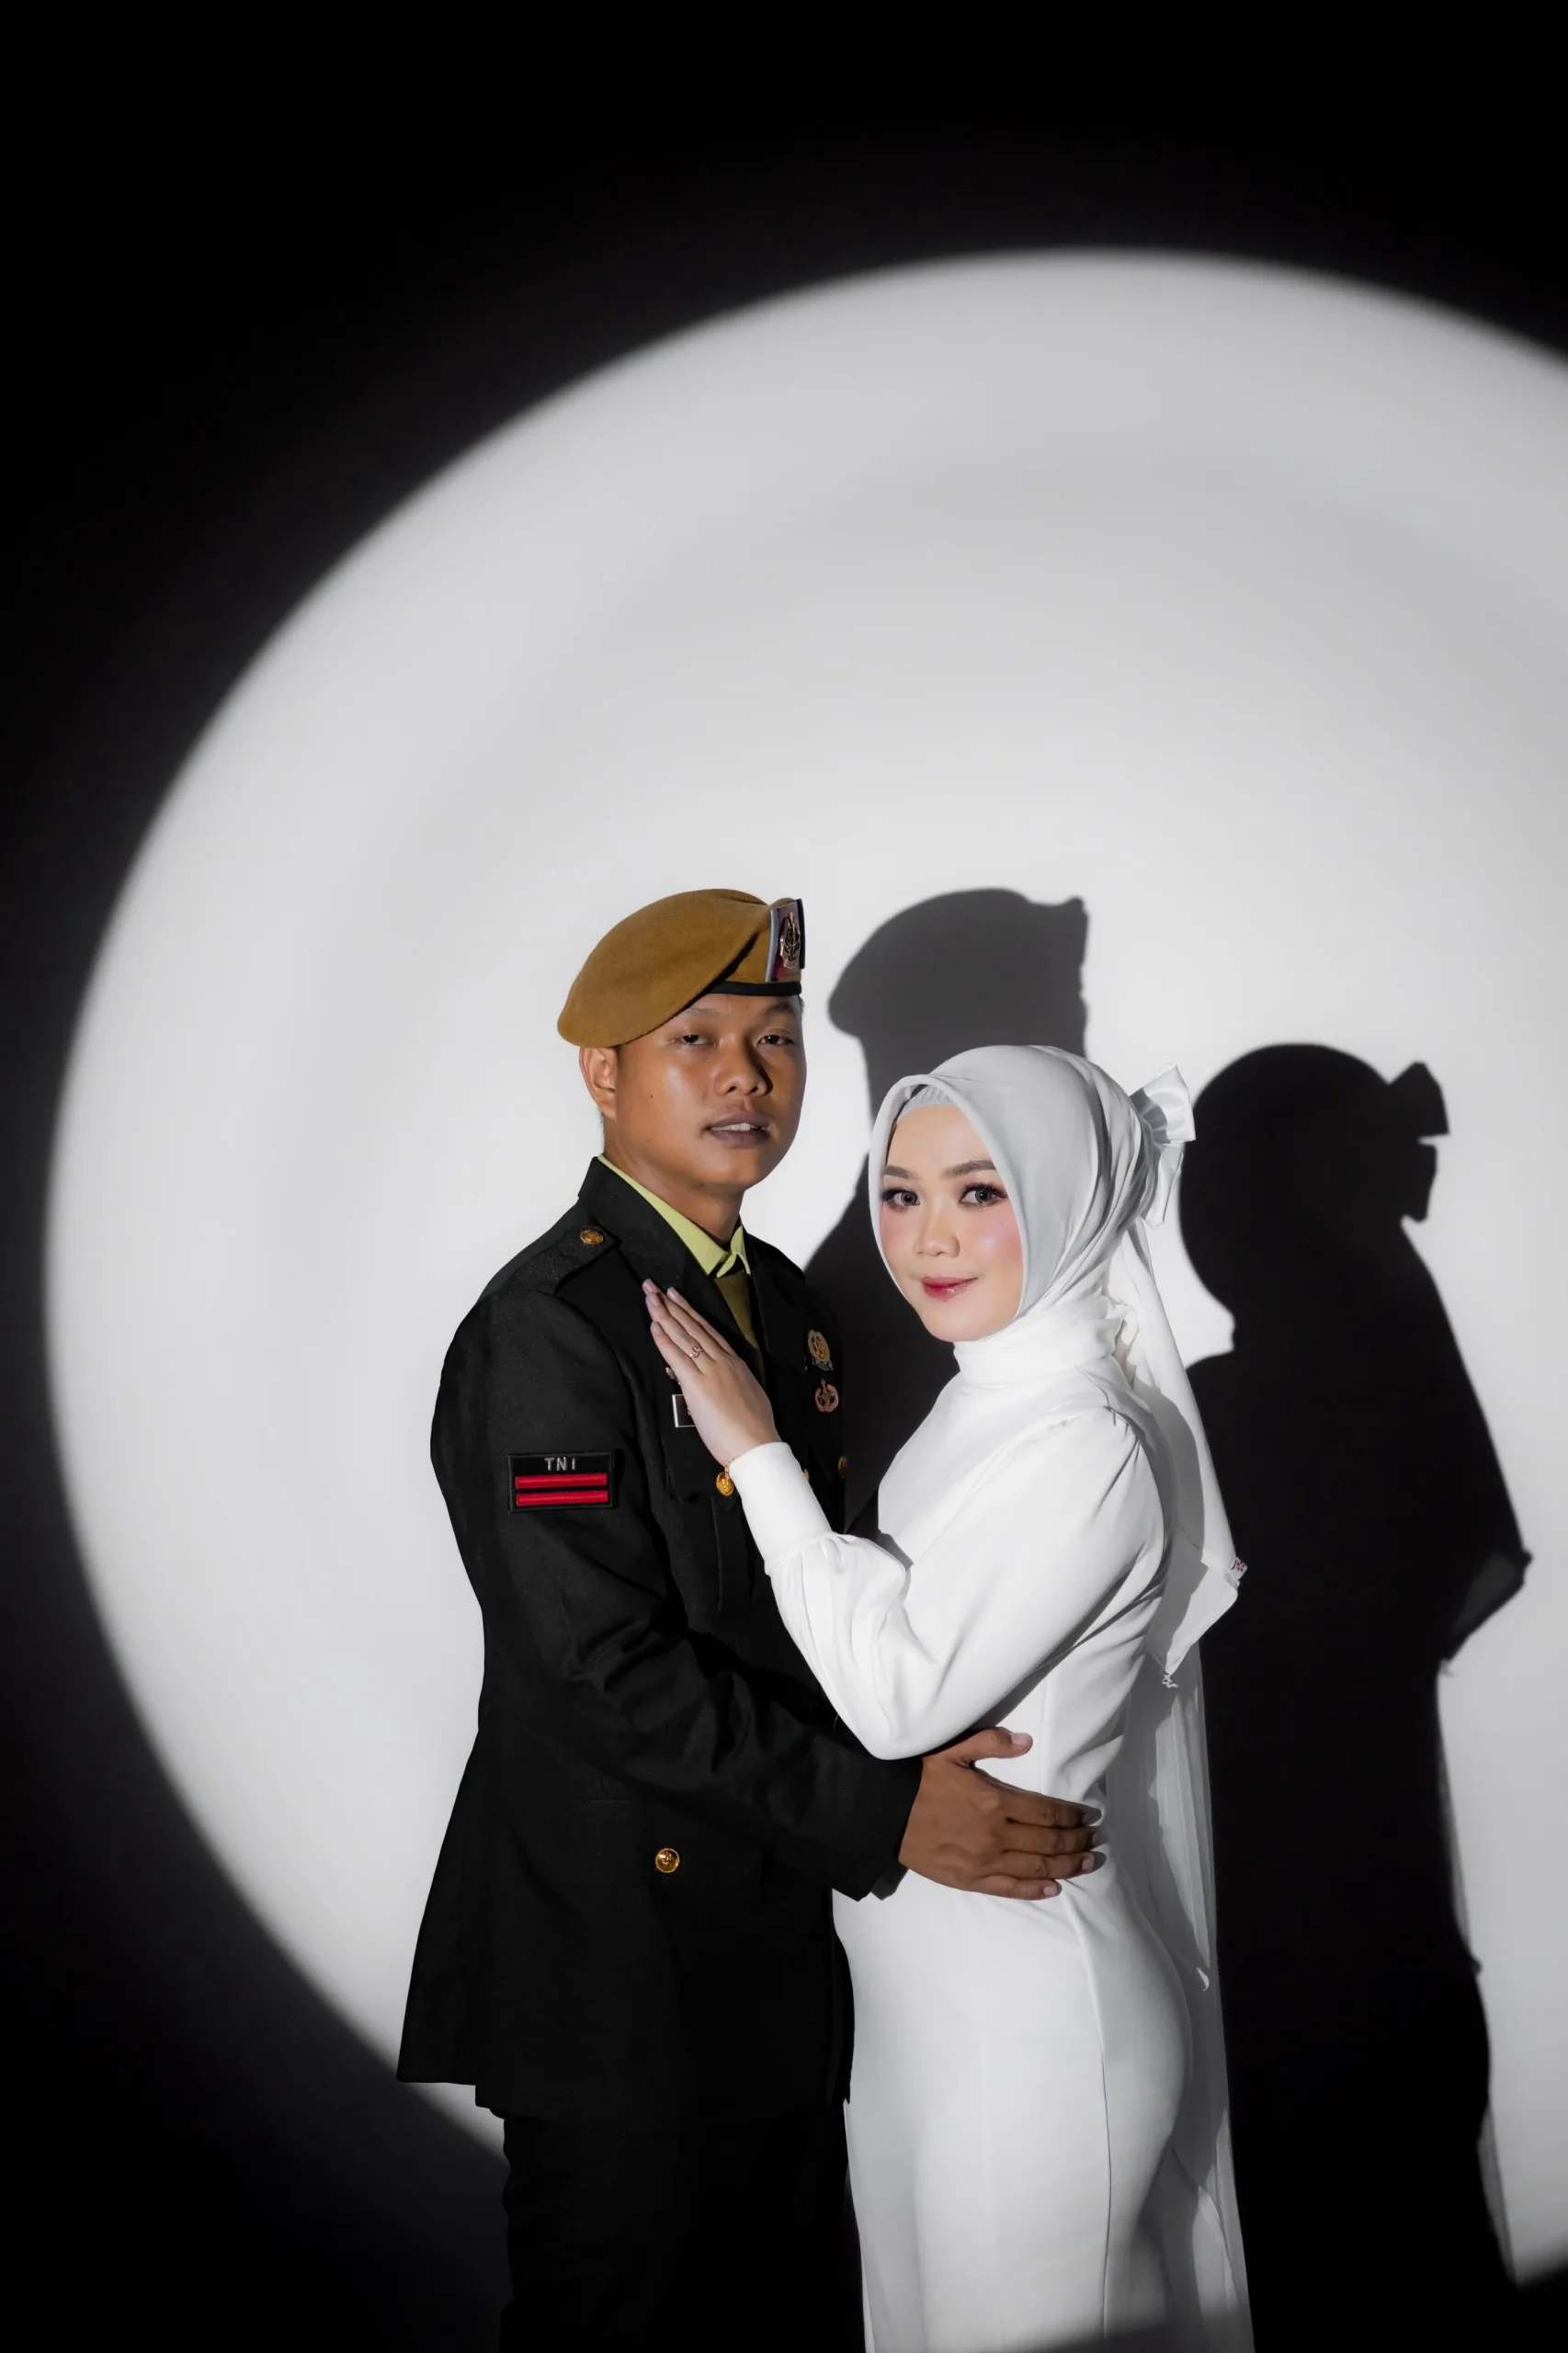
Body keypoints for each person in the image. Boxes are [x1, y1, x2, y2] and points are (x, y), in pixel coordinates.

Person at [397, 894, 1100, 2353]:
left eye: (773, 1040)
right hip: (619, 1967)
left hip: (774, 1940)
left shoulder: (777, 1301)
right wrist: (882, 1812)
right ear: (601, 1073)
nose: (744, 1077)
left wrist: (905, 1734)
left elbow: (801, 1604)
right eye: (696, 1041)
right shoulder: (553, 1324)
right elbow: (592, 1667)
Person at [646, 1043, 1251, 2352]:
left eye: (981, 1192)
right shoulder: (975, 1404)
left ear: (1069, 1199)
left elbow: (888, 1700)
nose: (926, 1237)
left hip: (1035, 2016)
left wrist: (756, 1453)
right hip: (930, 2011)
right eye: (900, 1193)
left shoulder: (1086, 1441)